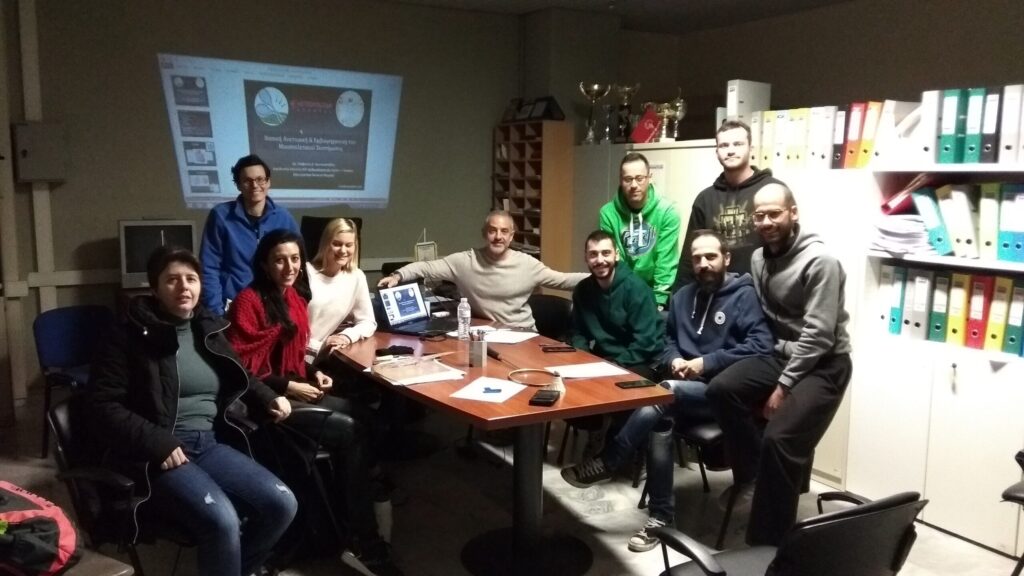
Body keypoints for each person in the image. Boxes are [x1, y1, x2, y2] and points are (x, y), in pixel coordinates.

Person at [87, 246, 297, 576]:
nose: (184, 287)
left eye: (191, 279)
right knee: (222, 521)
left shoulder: (207, 328)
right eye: (172, 280)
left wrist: (269, 396)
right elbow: (103, 405)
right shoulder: (127, 335)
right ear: (154, 288)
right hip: (157, 453)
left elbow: (239, 373)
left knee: (282, 503)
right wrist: (157, 442)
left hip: (209, 443)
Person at [561, 230, 773, 552]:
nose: (703, 264)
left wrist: (705, 363)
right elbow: (667, 340)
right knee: (659, 419)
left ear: (726, 259)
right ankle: (661, 517)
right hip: (685, 387)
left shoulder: (744, 296)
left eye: (711, 256)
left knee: (662, 393)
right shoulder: (683, 297)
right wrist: (674, 359)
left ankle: (610, 459)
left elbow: (761, 345)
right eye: (697, 258)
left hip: (723, 394)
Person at [226, 229, 401, 576]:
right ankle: (364, 540)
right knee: (351, 431)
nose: (289, 266)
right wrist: (289, 385)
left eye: (294, 259)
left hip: (292, 389)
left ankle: (354, 502)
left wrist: (312, 372)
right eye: (279, 260)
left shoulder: (293, 297)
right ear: (264, 263)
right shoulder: (249, 300)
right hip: (265, 403)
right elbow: (242, 369)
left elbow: (292, 355)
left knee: (370, 419)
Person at [706, 183, 852, 546]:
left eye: (775, 213)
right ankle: (755, 477)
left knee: (779, 438)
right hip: (780, 353)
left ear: (793, 213)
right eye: (760, 216)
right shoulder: (758, 259)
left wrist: (783, 387)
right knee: (721, 389)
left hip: (824, 363)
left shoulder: (820, 262)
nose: (767, 222)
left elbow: (818, 336)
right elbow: (764, 315)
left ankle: (768, 547)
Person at [377, 210, 587, 329]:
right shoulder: (464, 262)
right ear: (484, 233)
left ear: (511, 236)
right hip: (486, 336)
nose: (498, 237)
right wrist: (398, 275)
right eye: (493, 231)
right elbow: (426, 267)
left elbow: (563, 280)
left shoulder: (528, 264)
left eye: (504, 232)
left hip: (523, 336)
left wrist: (603, 277)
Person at [673, 120, 786, 290]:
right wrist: (680, 298)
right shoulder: (705, 199)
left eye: (738, 144)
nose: (731, 150)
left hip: (766, 293)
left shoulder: (774, 190)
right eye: (724, 145)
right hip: (717, 295)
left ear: (751, 149)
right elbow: (690, 258)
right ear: (717, 151)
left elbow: (790, 248)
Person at [200, 154, 300, 316]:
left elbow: (298, 264)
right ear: (238, 185)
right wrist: (216, 313)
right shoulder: (221, 216)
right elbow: (209, 268)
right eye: (247, 180)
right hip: (232, 306)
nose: (255, 185)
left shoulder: (284, 218)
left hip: (274, 306)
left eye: (260, 179)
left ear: (268, 182)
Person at [569, 230, 662, 379]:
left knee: (605, 386)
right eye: (593, 254)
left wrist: (614, 365)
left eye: (606, 253)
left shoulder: (637, 289)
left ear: (616, 255)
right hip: (604, 359)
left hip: (641, 361)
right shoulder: (582, 290)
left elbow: (644, 342)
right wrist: (584, 358)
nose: (600, 260)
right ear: (586, 258)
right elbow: (578, 332)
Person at [599, 152, 681, 308]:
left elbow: (665, 262)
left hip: (656, 293)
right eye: (628, 179)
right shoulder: (608, 213)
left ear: (649, 178)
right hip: (622, 292)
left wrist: (658, 302)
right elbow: (615, 261)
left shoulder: (667, 212)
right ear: (620, 180)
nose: (634, 185)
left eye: (639, 178)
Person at [305, 218, 376, 357]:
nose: (343, 250)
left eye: (349, 245)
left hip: (319, 357)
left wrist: (346, 336)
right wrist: (319, 346)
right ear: (325, 244)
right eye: (337, 244)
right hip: (293, 355)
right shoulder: (305, 273)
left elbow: (368, 321)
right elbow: (286, 330)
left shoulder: (356, 277)